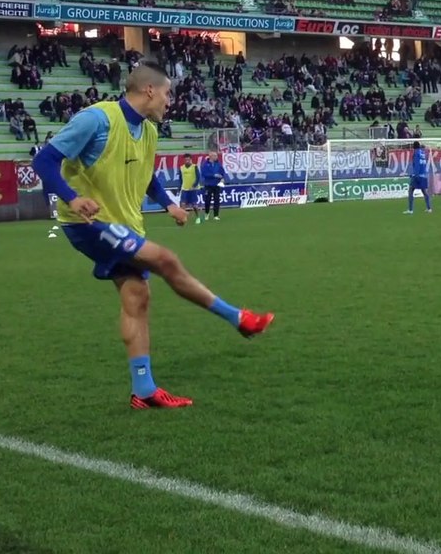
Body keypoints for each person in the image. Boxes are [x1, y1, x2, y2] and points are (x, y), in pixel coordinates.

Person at [31, 63, 274, 410]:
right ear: (149, 90)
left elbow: (146, 177)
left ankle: (143, 391)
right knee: (165, 260)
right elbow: (44, 161)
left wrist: (169, 204)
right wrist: (73, 197)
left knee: (137, 297)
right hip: (89, 223)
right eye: (167, 93)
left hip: (124, 225)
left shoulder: (148, 131)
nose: (169, 101)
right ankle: (238, 318)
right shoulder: (97, 119)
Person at [405, 140, 431, 214]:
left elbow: (417, 165)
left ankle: (410, 210)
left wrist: (415, 175)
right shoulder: (422, 153)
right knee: (424, 192)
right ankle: (429, 208)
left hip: (417, 175)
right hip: (424, 175)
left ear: (413, 147)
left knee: (410, 191)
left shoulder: (416, 153)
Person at [199, 151, 225, 220]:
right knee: (208, 200)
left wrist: (222, 178)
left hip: (217, 185)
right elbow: (204, 174)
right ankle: (206, 213)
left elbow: (222, 172)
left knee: (217, 200)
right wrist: (214, 175)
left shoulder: (218, 164)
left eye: (216, 155)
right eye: (215, 156)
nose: (216, 157)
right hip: (208, 185)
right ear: (211, 156)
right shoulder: (205, 164)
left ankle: (216, 215)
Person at [179, 156, 204, 224]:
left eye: (188, 160)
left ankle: (198, 217)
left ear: (191, 160)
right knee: (183, 204)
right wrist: (180, 187)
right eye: (186, 160)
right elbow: (180, 178)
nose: (187, 161)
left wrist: (194, 185)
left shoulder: (194, 167)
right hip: (185, 188)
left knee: (194, 205)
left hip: (193, 189)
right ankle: (183, 218)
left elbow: (198, 177)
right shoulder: (181, 168)